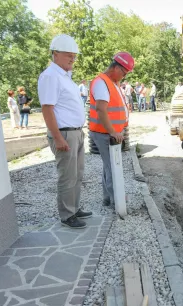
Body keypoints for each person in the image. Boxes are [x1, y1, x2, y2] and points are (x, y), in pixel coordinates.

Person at [38, 34, 92, 229]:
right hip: (64, 134)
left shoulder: (65, 77)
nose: (72, 59)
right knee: (67, 176)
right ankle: (67, 214)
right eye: (69, 55)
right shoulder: (50, 76)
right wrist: (58, 137)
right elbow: (47, 109)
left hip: (75, 132)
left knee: (77, 174)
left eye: (74, 56)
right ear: (55, 54)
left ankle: (74, 208)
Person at [88, 52, 134, 208]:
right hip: (105, 132)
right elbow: (101, 110)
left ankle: (107, 199)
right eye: (124, 72)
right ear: (116, 67)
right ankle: (117, 201)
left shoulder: (111, 82)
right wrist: (113, 131)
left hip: (108, 132)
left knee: (108, 166)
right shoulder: (102, 83)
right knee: (112, 167)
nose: (124, 76)